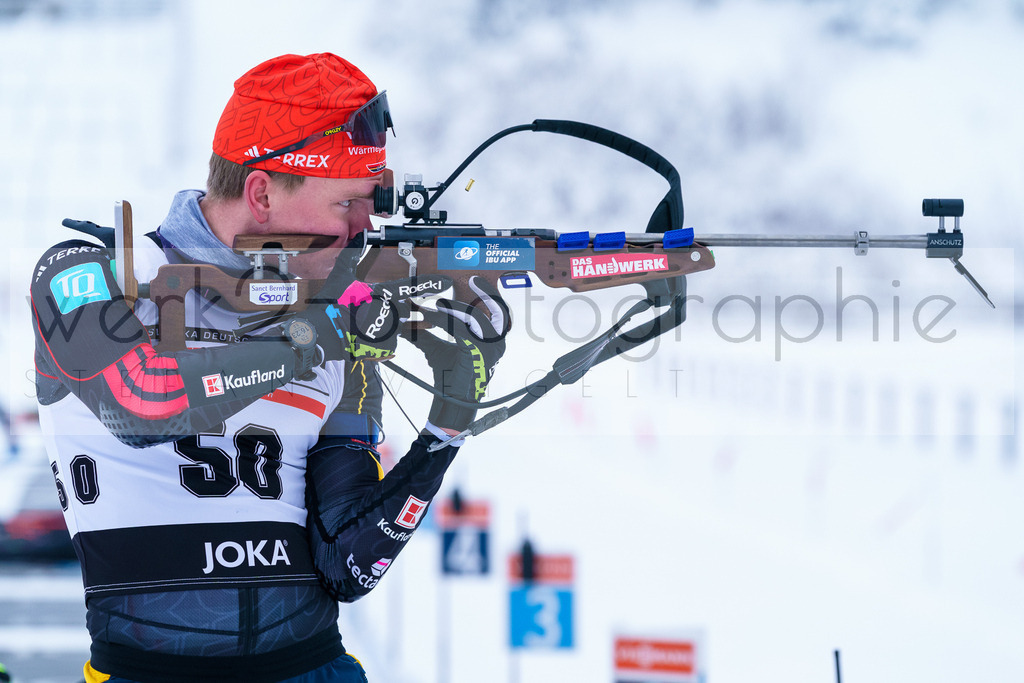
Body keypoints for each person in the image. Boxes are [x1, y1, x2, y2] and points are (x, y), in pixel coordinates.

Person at [30, 53, 508, 683]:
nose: (367, 229)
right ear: (260, 192)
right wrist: (316, 339)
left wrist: (449, 420)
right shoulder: (90, 272)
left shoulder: (336, 315)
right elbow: (141, 402)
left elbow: (348, 563)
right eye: (347, 205)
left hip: (314, 668)